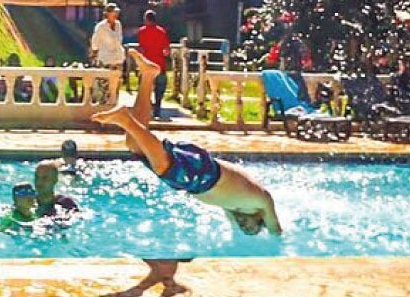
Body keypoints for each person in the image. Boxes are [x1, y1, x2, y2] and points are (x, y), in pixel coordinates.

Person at [92, 53, 282, 237]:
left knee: (135, 144)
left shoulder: (234, 208)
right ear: (261, 219)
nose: (244, 228)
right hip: (206, 174)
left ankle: (148, 76)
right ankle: (125, 119)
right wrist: (276, 237)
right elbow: (276, 232)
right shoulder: (262, 200)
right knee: (164, 167)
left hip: (197, 179)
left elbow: (235, 232)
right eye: (252, 229)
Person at [137, 10, 172, 114]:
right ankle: (157, 108)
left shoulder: (142, 31)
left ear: (146, 19)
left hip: (147, 64)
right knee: (160, 88)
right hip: (159, 64)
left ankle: (146, 106)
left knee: (144, 87)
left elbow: (141, 48)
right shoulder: (161, 31)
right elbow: (166, 50)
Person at [89, 5, 125, 103]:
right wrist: (94, 53)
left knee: (116, 87)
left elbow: (119, 40)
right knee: (104, 87)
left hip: (118, 59)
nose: (116, 14)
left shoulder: (118, 24)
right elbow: (95, 43)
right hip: (106, 60)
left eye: (116, 12)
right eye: (113, 12)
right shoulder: (100, 27)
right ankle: (103, 107)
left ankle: (114, 106)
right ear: (107, 14)